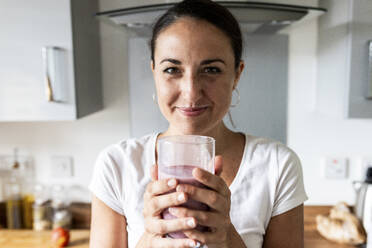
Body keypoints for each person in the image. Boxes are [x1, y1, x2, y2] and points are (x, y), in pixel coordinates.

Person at [89, 0, 308, 247]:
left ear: (237, 74)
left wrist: (228, 237)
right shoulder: (117, 166)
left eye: (212, 70)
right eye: (172, 70)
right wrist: (150, 238)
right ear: (154, 73)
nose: (191, 93)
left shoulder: (277, 166)